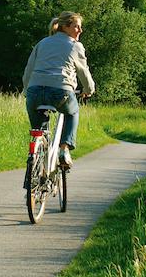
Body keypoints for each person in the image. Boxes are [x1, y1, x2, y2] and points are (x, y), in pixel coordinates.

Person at [22, 11, 95, 169]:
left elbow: (29, 70)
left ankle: (38, 163)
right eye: (76, 26)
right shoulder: (75, 46)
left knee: (39, 131)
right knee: (72, 111)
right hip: (61, 92)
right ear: (65, 27)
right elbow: (83, 71)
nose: (80, 31)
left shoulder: (42, 43)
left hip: (34, 92)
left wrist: (27, 90)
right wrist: (89, 89)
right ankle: (64, 149)